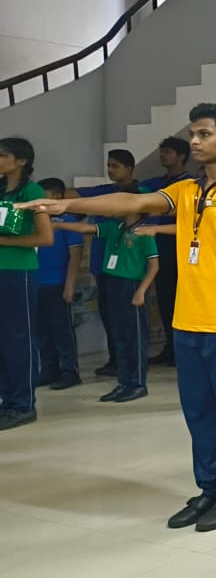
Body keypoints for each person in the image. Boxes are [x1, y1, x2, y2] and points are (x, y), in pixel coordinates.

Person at [20, 103, 216, 530]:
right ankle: (209, 487)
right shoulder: (187, 191)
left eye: (205, 134)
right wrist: (67, 207)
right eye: (193, 134)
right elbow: (131, 201)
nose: (194, 141)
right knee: (197, 412)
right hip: (187, 323)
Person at [54, 194, 160, 403]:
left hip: (132, 286)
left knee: (135, 337)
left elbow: (154, 266)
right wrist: (60, 226)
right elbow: (86, 229)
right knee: (118, 335)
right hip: (113, 282)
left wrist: (141, 291)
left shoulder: (144, 232)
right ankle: (124, 382)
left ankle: (138, 383)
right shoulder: (114, 227)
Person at [77, 148, 146, 378]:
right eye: (108, 165)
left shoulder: (141, 194)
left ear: (129, 168)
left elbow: (144, 234)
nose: (110, 170)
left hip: (130, 269)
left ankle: (133, 367)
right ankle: (116, 360)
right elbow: (73, 197)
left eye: (115, 166)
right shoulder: (105, 192)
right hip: (104, 264)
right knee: (110, 315)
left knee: (130, 320)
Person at [0, 138, 54, 431]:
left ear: (21, 161)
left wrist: (4, 241)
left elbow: (46, 239)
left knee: (18, 338)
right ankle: (7, 400)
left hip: (18, 273)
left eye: (3, 155)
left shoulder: (33, 192)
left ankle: (23, 404)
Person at [143, 136, 194, 366]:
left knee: (182, 302)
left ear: (181, 156)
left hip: (183, 253)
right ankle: (169, 346)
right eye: (162, 151)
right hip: (160, 250)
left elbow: (187, 217)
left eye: (168, 152)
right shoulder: (157, 183)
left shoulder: (191, 184)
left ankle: (183, 348)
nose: (163, 156)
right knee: (165, 301)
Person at [34, 177, 83, 390]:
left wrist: (69, 285)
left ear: (56, 197)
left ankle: (69, 370)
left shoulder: (68, 222)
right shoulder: (36, 221)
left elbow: (75, 256)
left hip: (57, 284)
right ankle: (49, 369)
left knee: (61, 329)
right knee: (41, 330)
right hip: (36, 283)